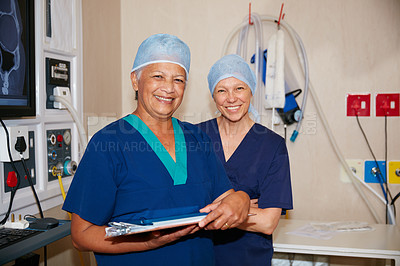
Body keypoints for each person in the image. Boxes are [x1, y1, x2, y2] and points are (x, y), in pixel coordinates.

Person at [62, 34, 250, 266]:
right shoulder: (107, 144)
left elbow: (224, 199)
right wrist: (148, 243)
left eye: (178, 80)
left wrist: (240, 199)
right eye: (158, 76)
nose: (169, 88)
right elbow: (81, 235)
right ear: (135, 80)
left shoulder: (198, 139)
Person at [197, 54, 293, 266]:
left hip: (248, 258)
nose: (231, 98)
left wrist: (209, 207)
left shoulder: (273, 146)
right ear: (213, 96)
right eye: (222, 90)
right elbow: (176, 202)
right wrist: (241, 207)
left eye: (239, 88)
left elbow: (268, 222)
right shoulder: (194, 137)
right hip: (199, 256)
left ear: (251, 91)